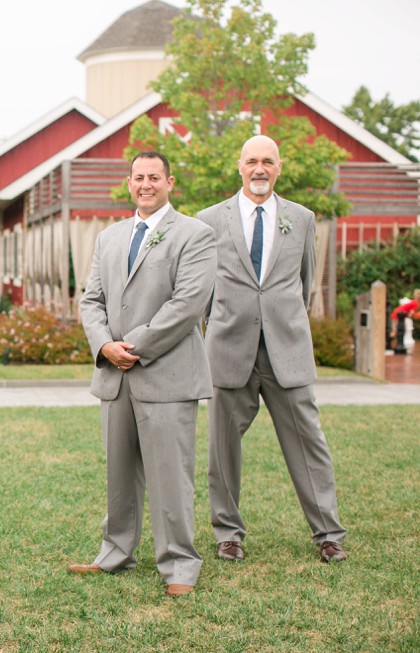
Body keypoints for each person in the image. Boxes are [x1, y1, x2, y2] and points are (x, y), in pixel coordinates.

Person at [69, 151, 216, 598]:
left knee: (171, 473)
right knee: (119, 472)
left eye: (155, 177)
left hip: (166, 374)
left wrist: (134, 346)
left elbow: (188, 303)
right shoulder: (110, 237)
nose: (146, 184)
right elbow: (90, 299)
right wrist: (103, 345)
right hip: (115, 376)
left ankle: (179, 565)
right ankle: (116, 551)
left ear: (170, 181)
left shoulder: (196, 235)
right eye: (139, 177)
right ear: (128, 183)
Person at [200, 135, 348, 564]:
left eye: (268, 161)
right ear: (240, 166)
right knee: (223, 447)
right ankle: (228, 533)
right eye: (252, 161)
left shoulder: (301, 219)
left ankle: (328, 533)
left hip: (288, 351)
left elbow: (305, 284)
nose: (259, 169)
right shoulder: (209, 219)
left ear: (278, 168)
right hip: (229, 350)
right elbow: (202, 290)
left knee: (309, 443)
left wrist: (281, 321)